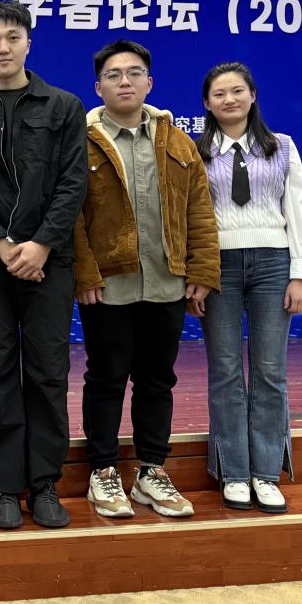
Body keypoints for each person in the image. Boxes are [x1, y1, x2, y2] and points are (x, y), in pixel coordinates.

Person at [0, 0, 87, 530]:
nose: (3, 48)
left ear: (29, 43)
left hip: (51, 260)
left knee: (48, 372)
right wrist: (4, 246)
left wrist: (41, 245)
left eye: (12, 37)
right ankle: (4, 486)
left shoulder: (64, 107)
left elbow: (73, 183)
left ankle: (45, 484)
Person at [73, 40, 220, 520]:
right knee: (106, 378)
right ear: (98, 87)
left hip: (166, 283)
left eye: (134, 73)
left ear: (150, 83)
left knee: (157, 380)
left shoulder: (177, 142)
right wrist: (84, 272)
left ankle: (151, 471)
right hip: (107, 286)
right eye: (114, 75)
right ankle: (102, 471)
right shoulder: (82, 140)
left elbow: (200, 210)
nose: (125, 81)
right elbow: (71, 216)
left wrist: (202, 270)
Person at [197, 62, 302, 513]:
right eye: (219, 93)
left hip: (273, 263)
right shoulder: (196, 152)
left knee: (269, 371)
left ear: (252, 95)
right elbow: (192, 217)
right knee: (225, 371)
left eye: (237, 91)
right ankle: (233, 472)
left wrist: (300, 273)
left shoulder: (281, 146)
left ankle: (266, 474)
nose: (229, 99)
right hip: (218, 267)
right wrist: (197, 275)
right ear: (207, 103)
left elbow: (299, 207)